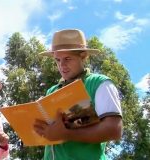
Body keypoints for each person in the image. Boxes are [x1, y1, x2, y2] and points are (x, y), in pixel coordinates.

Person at [33, 29, 123, 160]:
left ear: (83, 56)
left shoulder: (100, 83)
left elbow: (114, 130)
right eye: (57, 60)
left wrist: (66, 134)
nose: (61, 65)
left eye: (67, 58)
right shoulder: (51, 91)